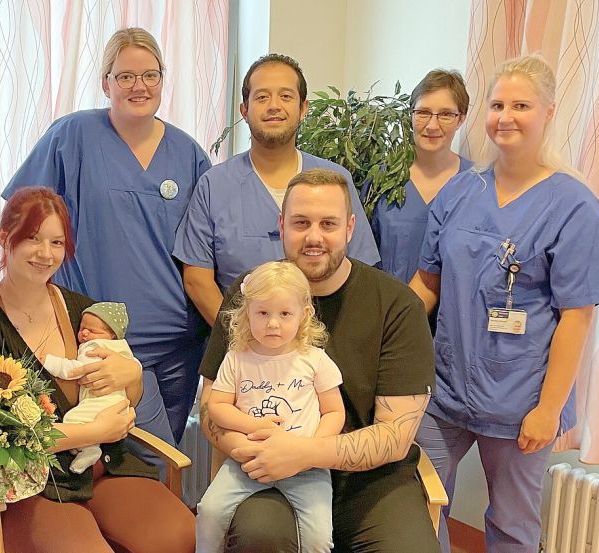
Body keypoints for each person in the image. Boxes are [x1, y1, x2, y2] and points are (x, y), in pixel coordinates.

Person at [410, 54, 599, 553]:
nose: (506, 116)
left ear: (548, 112)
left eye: (521, 105)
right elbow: (426, 285)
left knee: (511, 523)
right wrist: (376, 332)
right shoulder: (461, 191)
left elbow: (577, 315)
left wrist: (548, 410)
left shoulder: (572, 205)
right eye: (497, 104)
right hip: (445, 389)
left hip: (521, 399)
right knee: (418, 500)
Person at [200, 168, 440, 552]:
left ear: (349, 228)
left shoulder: (396, 305)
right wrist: (249, 449)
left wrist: (304, 453)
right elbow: (212, 405)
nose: (314, 237)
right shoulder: (250, 297)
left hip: (371, 485)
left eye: (328, 223)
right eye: (300, 223)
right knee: (259, 535)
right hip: (267, 473)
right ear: (282, 226)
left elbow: (395, 436)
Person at [0, 187, 195, 553]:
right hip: (26, 485)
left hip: (104, 466)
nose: (46, 254)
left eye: (57, 242)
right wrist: (92, 430)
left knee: (179, 536)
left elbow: (124, 398)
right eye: (33, 238)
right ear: (3, 237)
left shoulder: (85, 313)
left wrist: (133, 378)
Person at [2, 28, 211, 442]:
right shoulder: (73, 136)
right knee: (109, 456)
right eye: (126, 76)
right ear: (106, 83)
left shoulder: (188, 154)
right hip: (95, 339)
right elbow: (22, 218)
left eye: (150, 75)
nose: (139, 86)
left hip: (177, 344)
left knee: (162, 464)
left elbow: (206, 246)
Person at [174, 53, 379, 326]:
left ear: (303, 108)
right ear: (243, 110)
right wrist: (240, 338)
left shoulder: (334, 180)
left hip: (325, 343)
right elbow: (197, 278)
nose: (274, 106)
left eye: (285, 96)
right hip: (242, 348)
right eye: (261, 97)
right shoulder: (214, 185)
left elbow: (360, 269)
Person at [196, 261, 345, 553]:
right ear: (246, 313)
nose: (273, 323)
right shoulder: (237, 358)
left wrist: (311, 450)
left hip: (306, 469)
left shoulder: (314, 360)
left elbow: (334, 412)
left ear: (303, 316)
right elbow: (217, 406)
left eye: (285, 314)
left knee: (318, 536)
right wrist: (256, 427)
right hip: (247, 462)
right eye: (263, 313)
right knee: (209, 511)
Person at [371, 69, 473, 284]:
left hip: (451, 315)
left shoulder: (476, 185)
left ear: (461, 119)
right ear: (411, 115)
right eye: (423, 112)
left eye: (446, 114)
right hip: (390, 312)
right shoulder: (384, 179)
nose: (432, 125)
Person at [42, 301, 134, 474]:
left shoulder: (95, 348)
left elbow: (78, 370)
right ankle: (89, 447)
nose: (84, 333)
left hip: (102, 402)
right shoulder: (122, 350)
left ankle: (89, 450)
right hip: (117, 402)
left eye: (92, 331)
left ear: (112, 335)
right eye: (82, 327)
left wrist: (49, 362)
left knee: (72, 420)